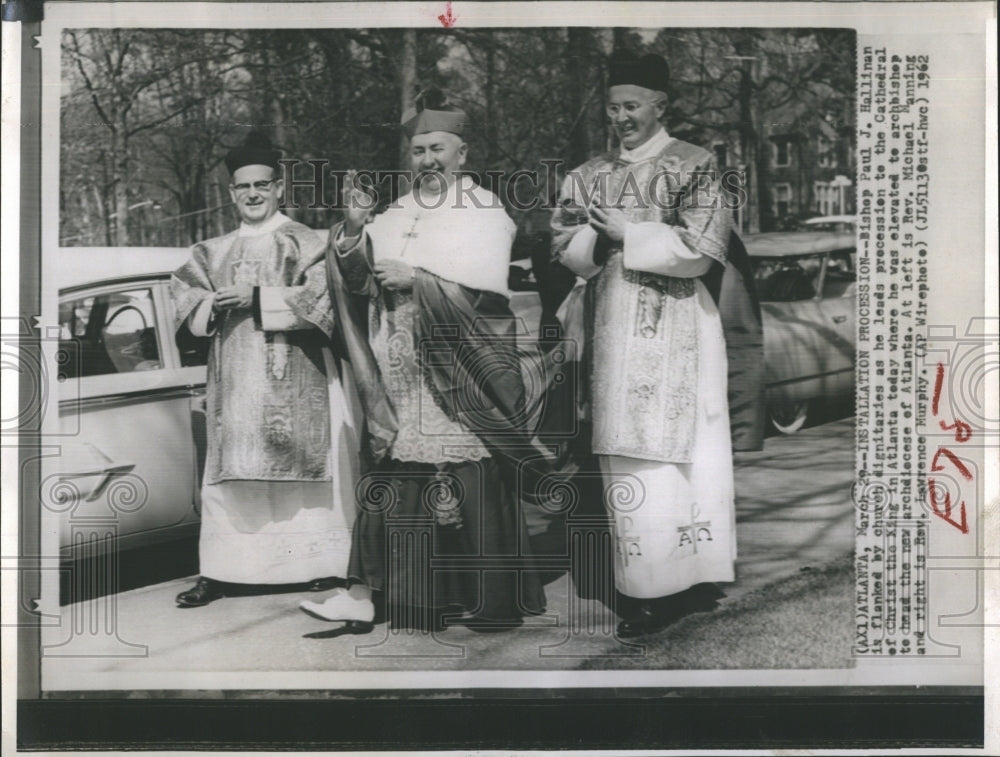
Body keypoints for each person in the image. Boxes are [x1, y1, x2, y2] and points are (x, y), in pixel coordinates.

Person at [299, 91, 547, 633]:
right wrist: (352, 231)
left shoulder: (485, 211)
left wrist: (421, 281)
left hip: (460, 367)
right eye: (417, 151)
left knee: (465, 470)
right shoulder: (398, 212)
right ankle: (417, 599)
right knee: (404, 468)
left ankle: (487, 598)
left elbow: (489, 300)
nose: (427, 160)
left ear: (463, 154)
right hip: (399, 366)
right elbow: (360, 282)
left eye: (437, 148)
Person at [551, 51, 762, 638]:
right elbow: (561, 246)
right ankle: (646, 590)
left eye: (632, 107)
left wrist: (631, 232)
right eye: (614, 107)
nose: (621, 118)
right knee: (632, 457)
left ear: (660, 107)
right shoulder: (588, 173)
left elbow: (704, 246)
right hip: (614, 336)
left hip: (681, 330)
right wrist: (593, 238)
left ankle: (694, 579)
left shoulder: (696, 164)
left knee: (690, 456)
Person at [169, 132, 369, 618]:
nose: (253, 194)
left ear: (279, 187)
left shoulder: (308, 241)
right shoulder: (209, 251)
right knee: (230, 474)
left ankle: (321, 563)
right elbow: (183, 300)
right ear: (232, 194)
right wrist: (208, 304)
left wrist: (258, 298)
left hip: (299, 377)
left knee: (310, 469)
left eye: (262, 185)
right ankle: (222, 571)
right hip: (236, 382)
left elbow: (324, 301)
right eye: (243, 188)